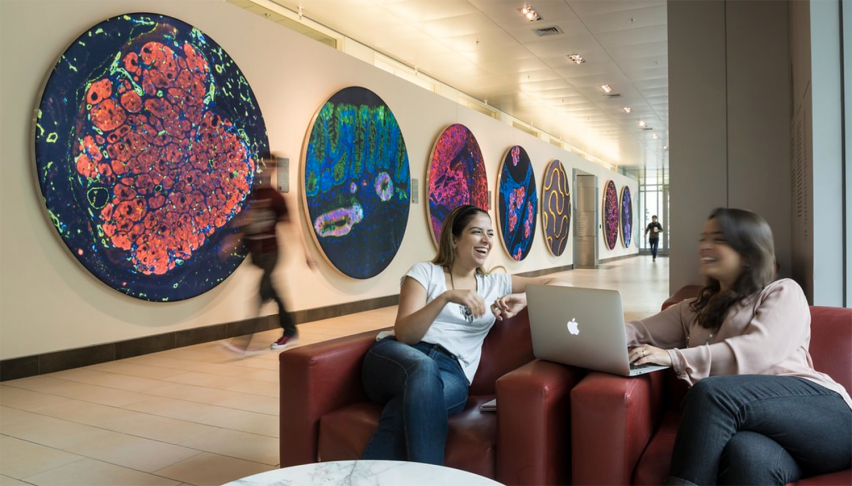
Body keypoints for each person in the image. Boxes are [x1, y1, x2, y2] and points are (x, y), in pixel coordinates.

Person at [627, 208, 852, 486]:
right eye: (704, 237)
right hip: (760, 434)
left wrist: (674, 357)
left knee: (709, 393)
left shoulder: (783, 292)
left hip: (822, 418)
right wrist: (576, 335)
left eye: (719, 238)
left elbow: (759, 352)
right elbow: (635, 332)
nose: (705, 246)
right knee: (746, 457)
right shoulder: (694, 309)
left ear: (748, 251)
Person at [360, 205, 563, 465]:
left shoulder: (497, 283)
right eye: (476, 232)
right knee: (423, 368)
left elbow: (560, 284)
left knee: (404, 410)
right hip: (400, 357)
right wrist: (446, 297)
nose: (486, 240)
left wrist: (524, 299)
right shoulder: (424, 273)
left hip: (451, 373)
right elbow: (405, 334)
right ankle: (431, 480)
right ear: (455, 239)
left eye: (490, 233)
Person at [225, 153, 316, 353]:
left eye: (268, 166)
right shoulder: (253, 195)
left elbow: (292, 227)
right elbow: (244, 222)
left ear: (274, 170)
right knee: (274, 292)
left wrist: (306, 254)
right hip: (256, 256)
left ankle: (243, 341)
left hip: (272, 253)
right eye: (261, 166)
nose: (264, 170)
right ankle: (291, 331)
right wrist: (232, 240)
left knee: (260, 293)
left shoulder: (276, 198)